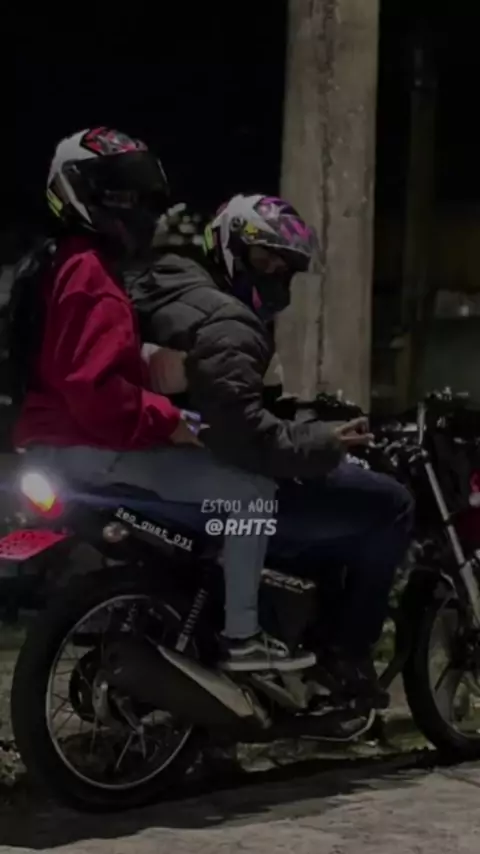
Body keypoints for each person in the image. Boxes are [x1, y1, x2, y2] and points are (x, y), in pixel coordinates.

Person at [13, 130, 317, 673]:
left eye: (138, 194)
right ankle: (243, 637)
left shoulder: (57, 261)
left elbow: (83, 362)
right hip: (85, 443)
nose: (133, 206)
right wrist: (173, 422)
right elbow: (94, 391)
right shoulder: (89, 272)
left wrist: (167, 374)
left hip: (57, 439)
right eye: (119, 192)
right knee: (252, 494)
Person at [125, 193, 414, 701]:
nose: (275, 275)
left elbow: (224, 403)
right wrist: (323, 442)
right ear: (230, 244)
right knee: (391, 505)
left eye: (284, 267)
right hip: (215, 471)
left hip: (161, 462)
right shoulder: (227, 319)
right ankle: (346, 656)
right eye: (265, 259)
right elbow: (245, 436)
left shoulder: (163, 288)